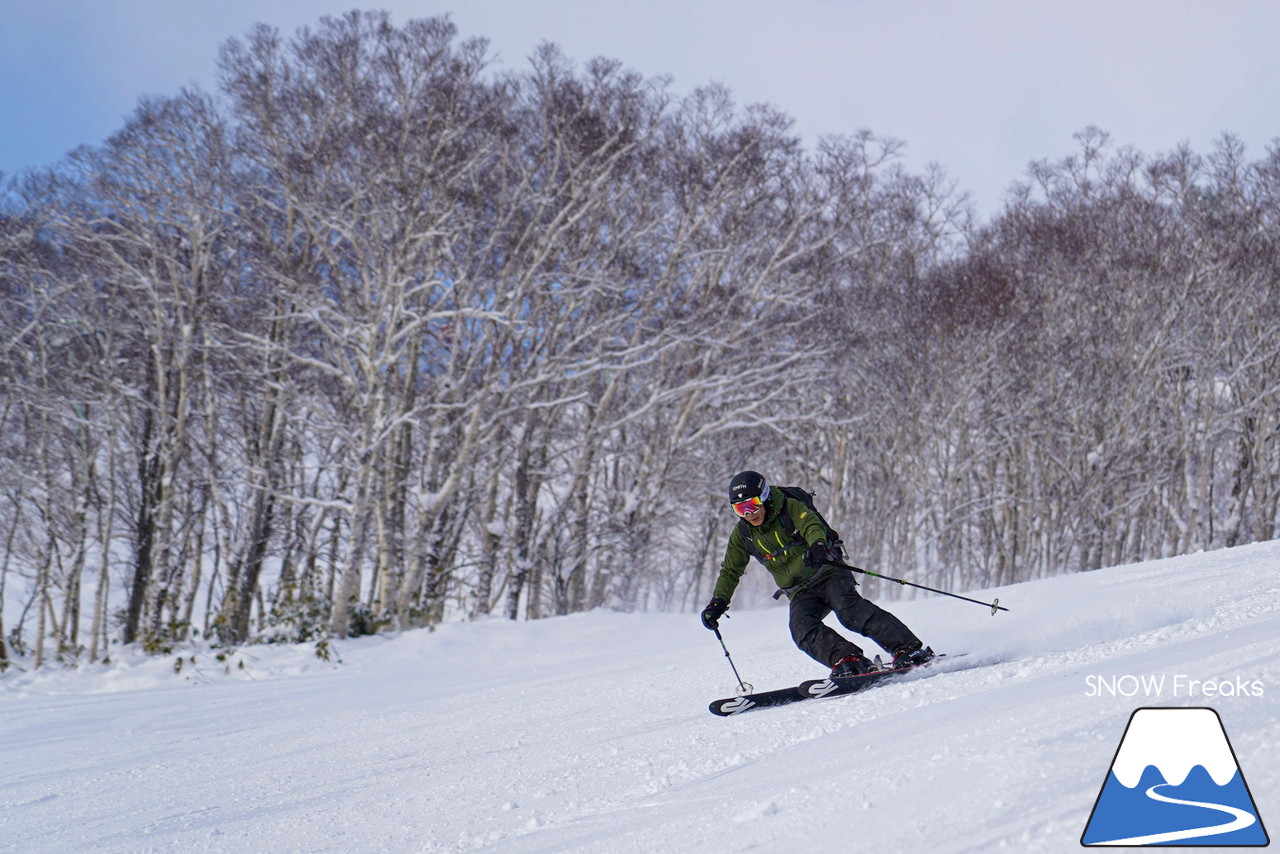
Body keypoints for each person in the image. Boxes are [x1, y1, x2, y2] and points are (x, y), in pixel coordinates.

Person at [700, 470, 932, 677]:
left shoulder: (788, 508)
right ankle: (848, 659)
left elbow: (811, 525)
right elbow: (730, 570)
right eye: (740, 509)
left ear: (765, 496)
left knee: (849, 609)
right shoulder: (743, 534)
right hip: (800, 589)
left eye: (752, 504)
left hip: (827, 572)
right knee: (800, 628)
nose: (749, 513)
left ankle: (908, 648)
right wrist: (718, 602)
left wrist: (818, 545)